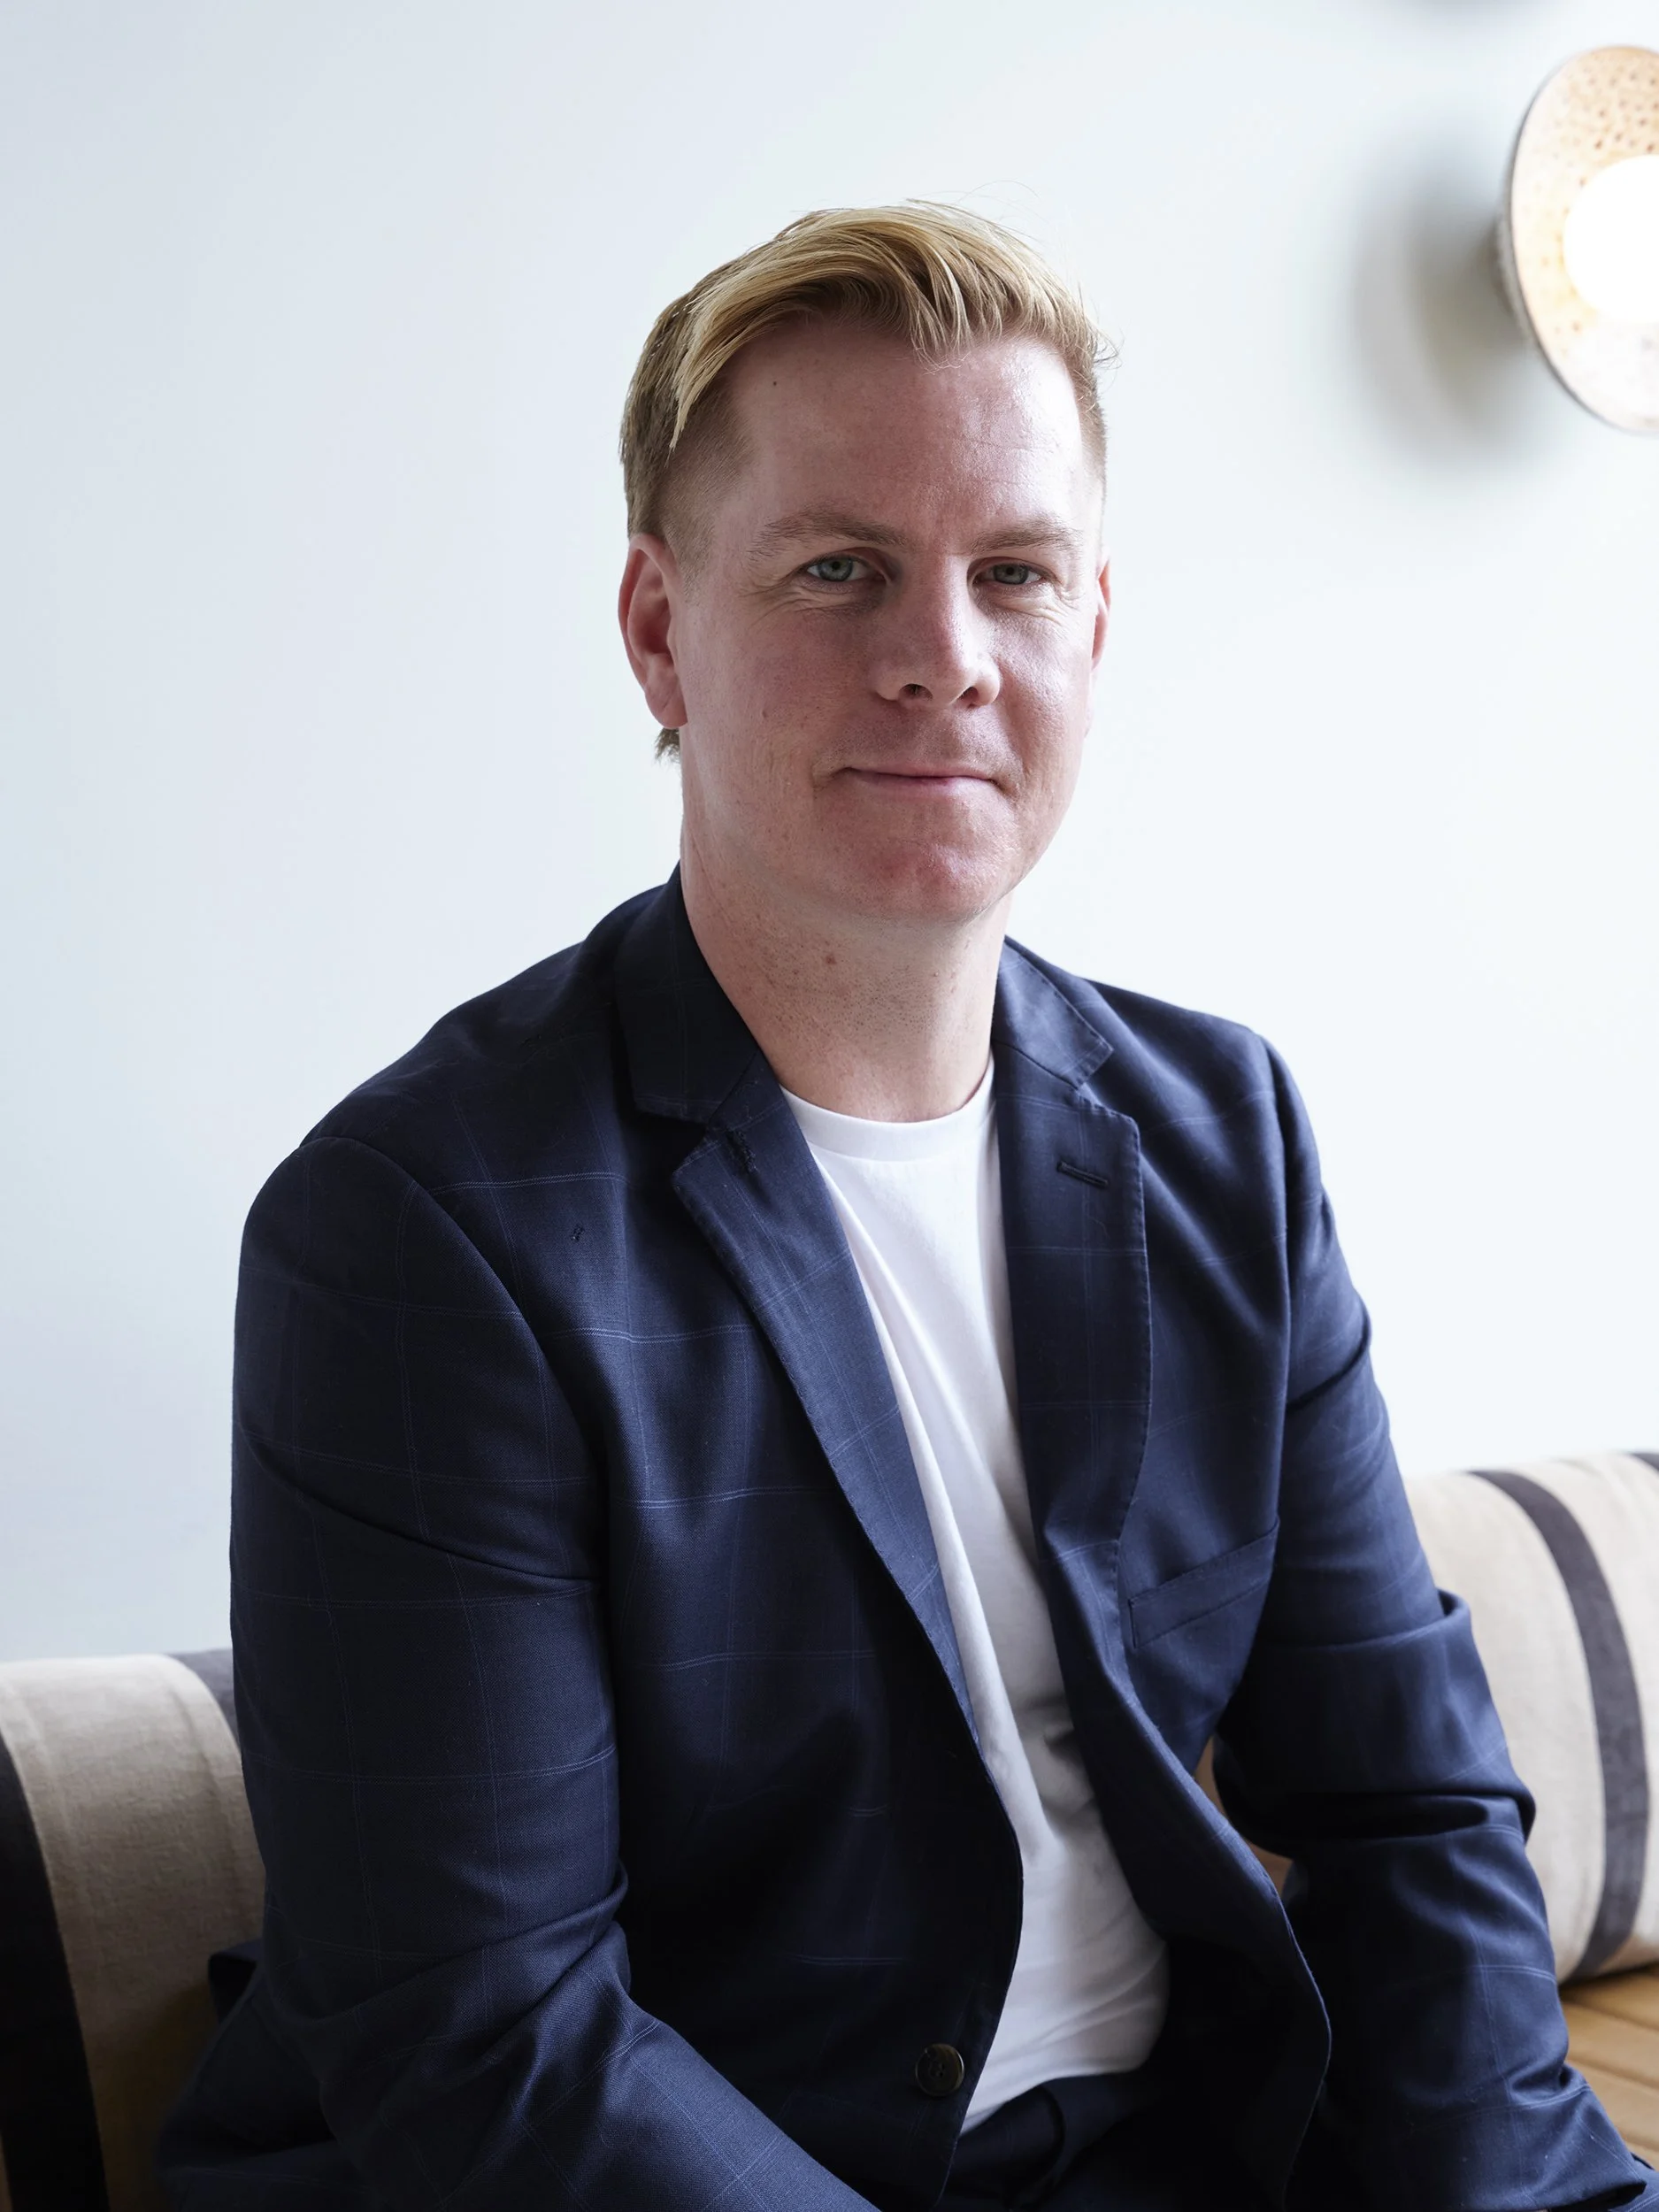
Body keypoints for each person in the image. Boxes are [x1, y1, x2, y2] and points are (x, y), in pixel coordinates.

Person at [160, 205, 1655, 2211]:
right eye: (837, 567)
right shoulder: (422, 1232)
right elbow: (492, 2041)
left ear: (1090, 631)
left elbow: (1408, 1806)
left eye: (1012, 573)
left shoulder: (1222, 1137)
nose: (941, 655)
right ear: (658, 628)